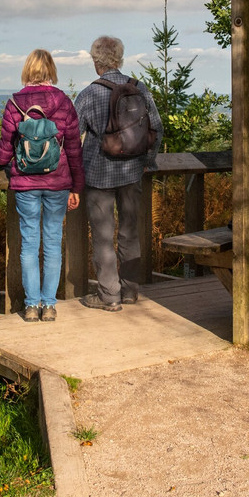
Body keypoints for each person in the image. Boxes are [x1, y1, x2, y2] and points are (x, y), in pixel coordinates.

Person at [0, 49, 84, 322]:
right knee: (53, 243)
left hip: (25, 183)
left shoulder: (15, 103)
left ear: (27, 70)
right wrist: (76, 187)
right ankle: (49, 306)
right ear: (51, 71)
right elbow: (75, 150)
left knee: (29, 244)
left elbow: (6, 146)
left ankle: (31, 306)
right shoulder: (64, 103)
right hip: (58, 182)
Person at [74, 35, 162, 311]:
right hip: (133, 171)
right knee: (129, 232)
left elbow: (73, 134)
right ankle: (130, 291)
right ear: (120, 59)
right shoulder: (139, 88)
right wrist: (148, 159)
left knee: (102, 236)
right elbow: (156, 128)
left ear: (96, 61)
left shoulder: (89, 94)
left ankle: (108, 295)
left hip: (99, 175)